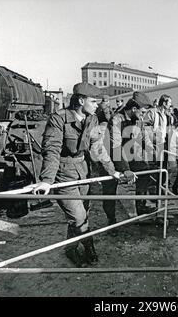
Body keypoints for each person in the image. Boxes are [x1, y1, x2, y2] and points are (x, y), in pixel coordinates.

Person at [33, 82, 135, 268]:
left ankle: (70, 248)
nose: (98, 105)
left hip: (84, 172)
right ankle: (89, 246)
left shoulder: (92, 119)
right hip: (63, 175)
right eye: (94, 101)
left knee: (82, 215)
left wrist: (113, 171)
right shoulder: (58, 119)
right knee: (79, 217)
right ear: (81, 100)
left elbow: (97, 148)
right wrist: (47, 181)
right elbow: (52, 150)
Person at [101, 92, 154, 225]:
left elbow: (143, 137)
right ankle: (111, 219)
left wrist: (150, 149)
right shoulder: (116, 120)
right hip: (112, 157)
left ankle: (141, 208)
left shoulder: (138, 120)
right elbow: (115, 147)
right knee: (109, 190)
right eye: (142, 112)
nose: (144, 115)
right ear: (134, 109)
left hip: (130, 156)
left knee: (145, 172)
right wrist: (125, 170)